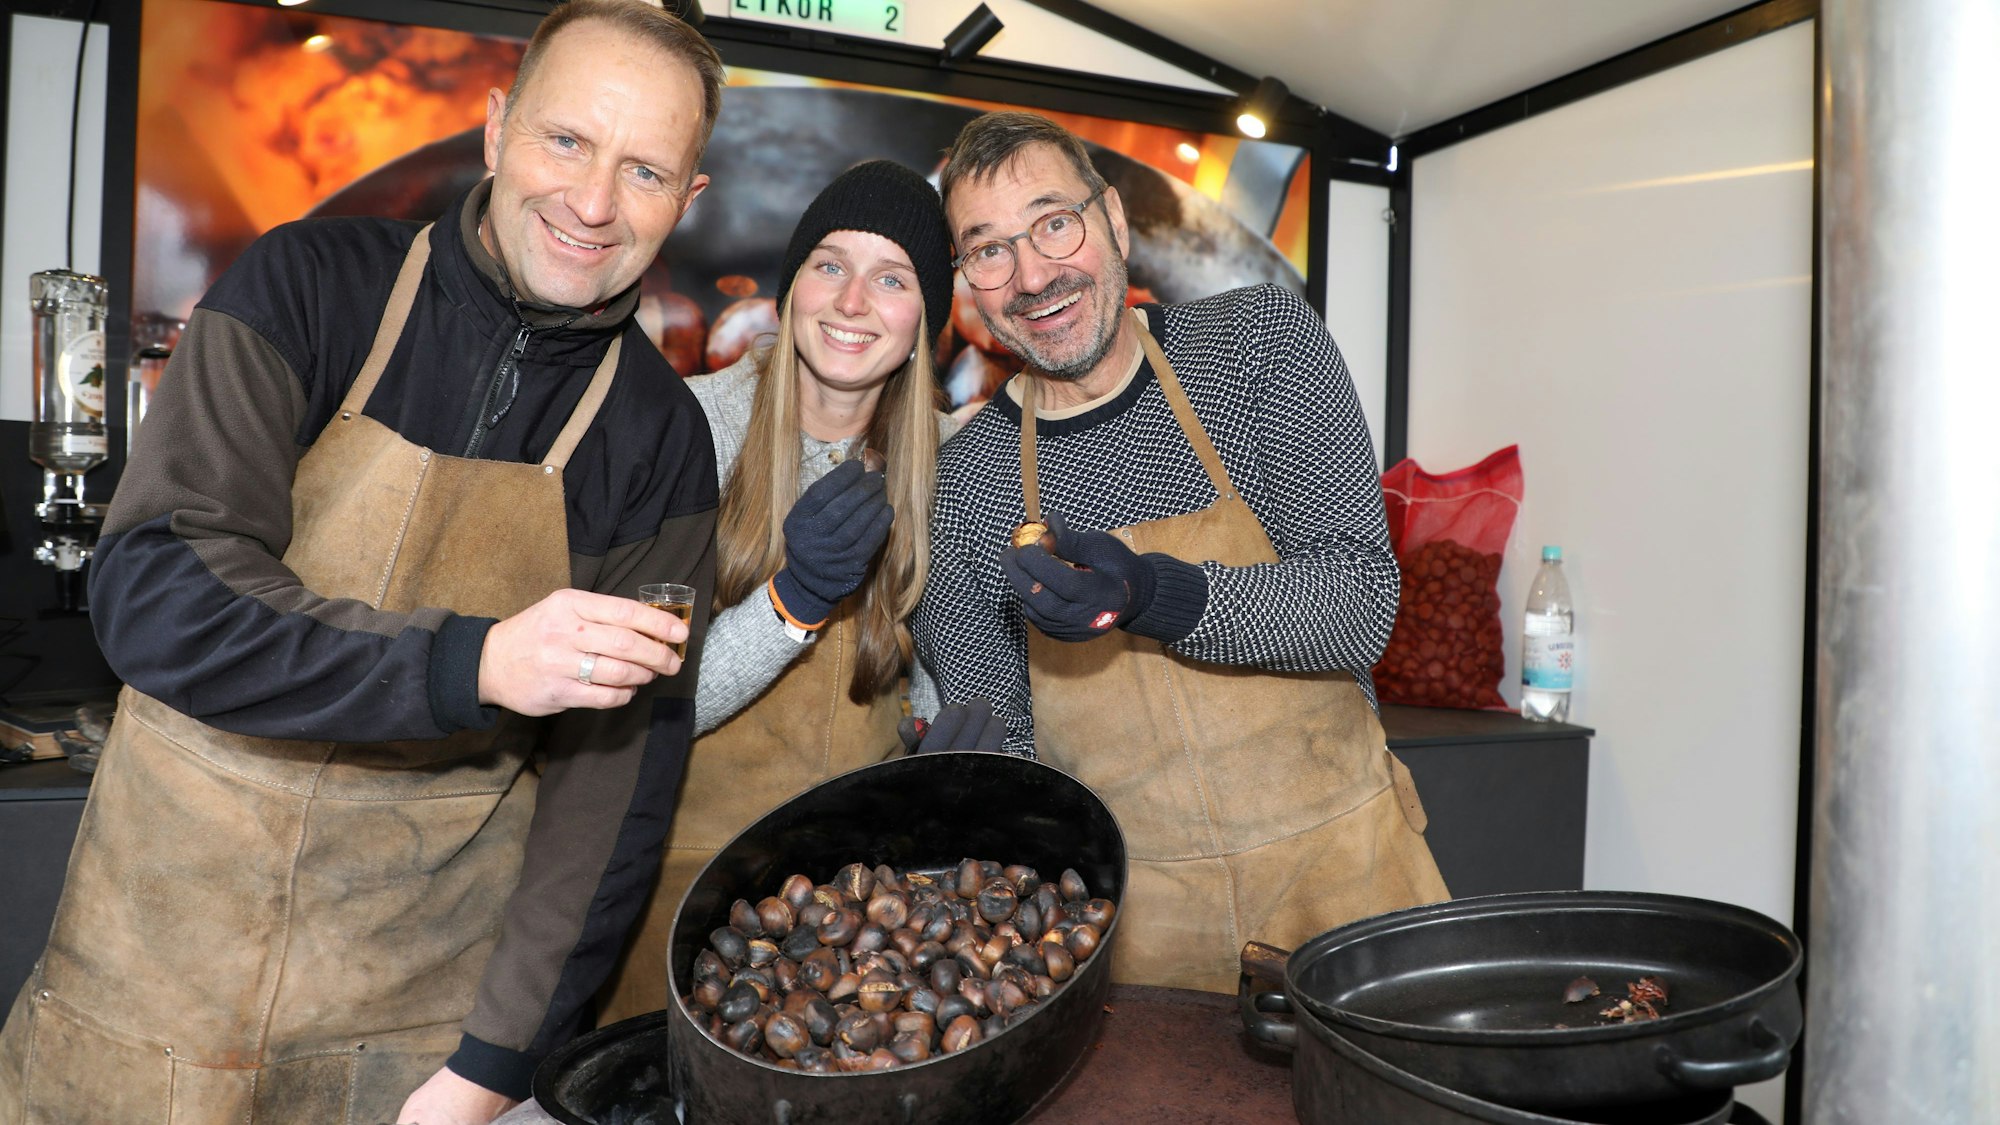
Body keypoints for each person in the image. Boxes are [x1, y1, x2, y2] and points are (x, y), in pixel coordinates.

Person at [0, 4, 723, 1123]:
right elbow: (157, 591)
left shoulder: (658, 438)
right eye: (566, 140)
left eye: (644, 171)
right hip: (154, 974)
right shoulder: (304, 285)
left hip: (410, 1029)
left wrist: (495, 1065)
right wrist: (469, 664)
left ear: (689, 198)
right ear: (496, 129)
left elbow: (613, 789)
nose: (592, 203)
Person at [911, 111, 1451, 995]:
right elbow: (1009, 741)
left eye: (1055, 224)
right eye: (989, 251)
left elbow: (1359, 602)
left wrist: (1155, 594)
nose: (1033, 276)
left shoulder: (1257, 343)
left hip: (1351, 882)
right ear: (969, 280)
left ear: (1116, 221)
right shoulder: (968, 481)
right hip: (1139, 939)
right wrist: (963, 777)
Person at [597, 159, 996, 1026]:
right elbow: (637, 705)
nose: (852, 301)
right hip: (675, 899)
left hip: (854, 929)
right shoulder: (684, 428)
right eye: (830, 264)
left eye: (892, 279)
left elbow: (916, 668)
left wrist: (937, 750)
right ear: (789, 290)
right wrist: (793, 602)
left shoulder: (946, 461)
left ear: (924, 320)